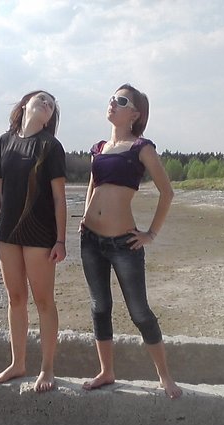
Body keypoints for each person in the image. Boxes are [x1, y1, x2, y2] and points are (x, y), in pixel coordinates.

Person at [80, 83, 182, 399]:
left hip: (124, 244)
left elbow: (167, 192)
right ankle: (106, 371)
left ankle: (165, 376)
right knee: (100, 308)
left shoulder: (141, 148)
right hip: (90, 241)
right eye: (112, 98)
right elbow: (93, 185)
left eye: (121, 101)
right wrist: (84, 216)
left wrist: (151, 234)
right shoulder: (99, 148)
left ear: (135, 114)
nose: (113, 103)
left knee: (139, 312)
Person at [0, 90, 67, 393]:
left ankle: (47, 368)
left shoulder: (50, 146)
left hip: (40, 234)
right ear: (25, 104)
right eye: (41, 99)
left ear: (50, 118)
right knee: (15, 298)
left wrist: (61, 240)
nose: (46, 104)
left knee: (43, 301)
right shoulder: (5, 142)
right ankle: (18, 363)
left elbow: (59, 198)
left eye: (51, 105)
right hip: (8, 233)